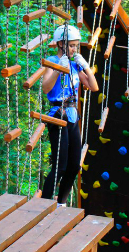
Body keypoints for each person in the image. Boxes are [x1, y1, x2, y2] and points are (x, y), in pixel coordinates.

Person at [40, 24, 98, 207]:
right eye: (71, 45)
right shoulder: (51, 61)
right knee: (60, 165)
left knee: (74, 165)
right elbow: (46, 88)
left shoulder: (75, 66)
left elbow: (94, 87)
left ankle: (61, 203)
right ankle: (43, 203)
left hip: (72, 115)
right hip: (57, 115)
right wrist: (58, 69)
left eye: (76, 45)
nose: (74, 49)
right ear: (60, 44)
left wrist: (87, 67)